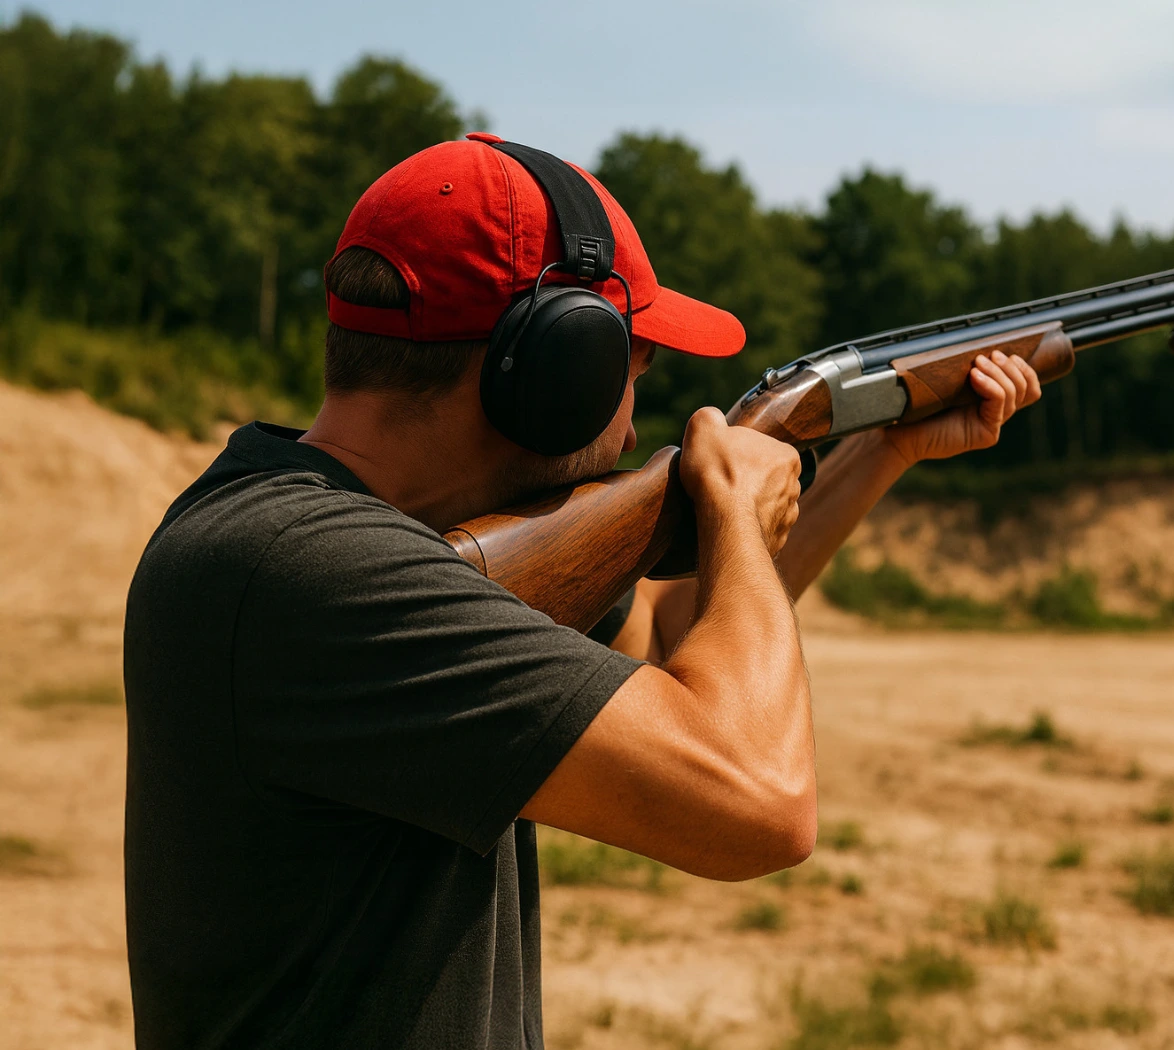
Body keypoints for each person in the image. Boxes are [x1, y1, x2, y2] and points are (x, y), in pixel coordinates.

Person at [122, 133, 1041, 1050]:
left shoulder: (335, 542)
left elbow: (684, 632)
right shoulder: (305, 569)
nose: (637, 417)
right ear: (560, 365)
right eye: (634, 368)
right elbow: (758, 801)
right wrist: (726, 502)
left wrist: (881, 448)